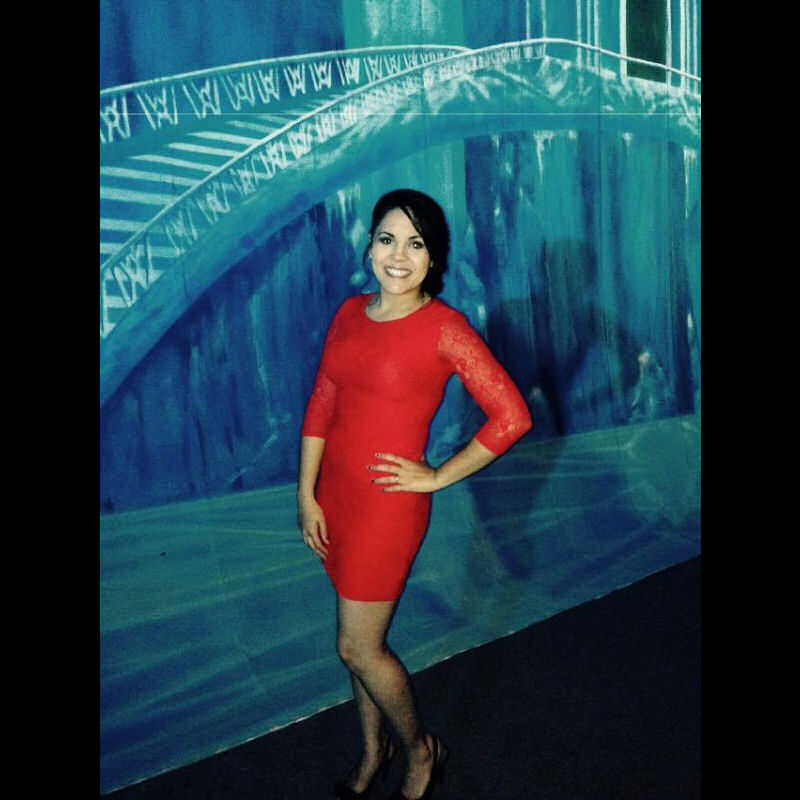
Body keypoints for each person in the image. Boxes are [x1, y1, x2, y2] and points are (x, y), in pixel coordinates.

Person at [297, 189, 533, 799]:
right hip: (336, 499)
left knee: (356, 646)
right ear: (369, 245)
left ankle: (420, 749)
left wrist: (436, 475)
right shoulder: (350, 313)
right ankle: (373, 751)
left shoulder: (444, 329)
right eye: (387, 239)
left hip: (387, 508)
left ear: (434, 258)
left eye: (416, 243)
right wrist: (306, 494)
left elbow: (512, 417)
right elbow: (323, 401)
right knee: (360, 643)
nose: (398, 256)